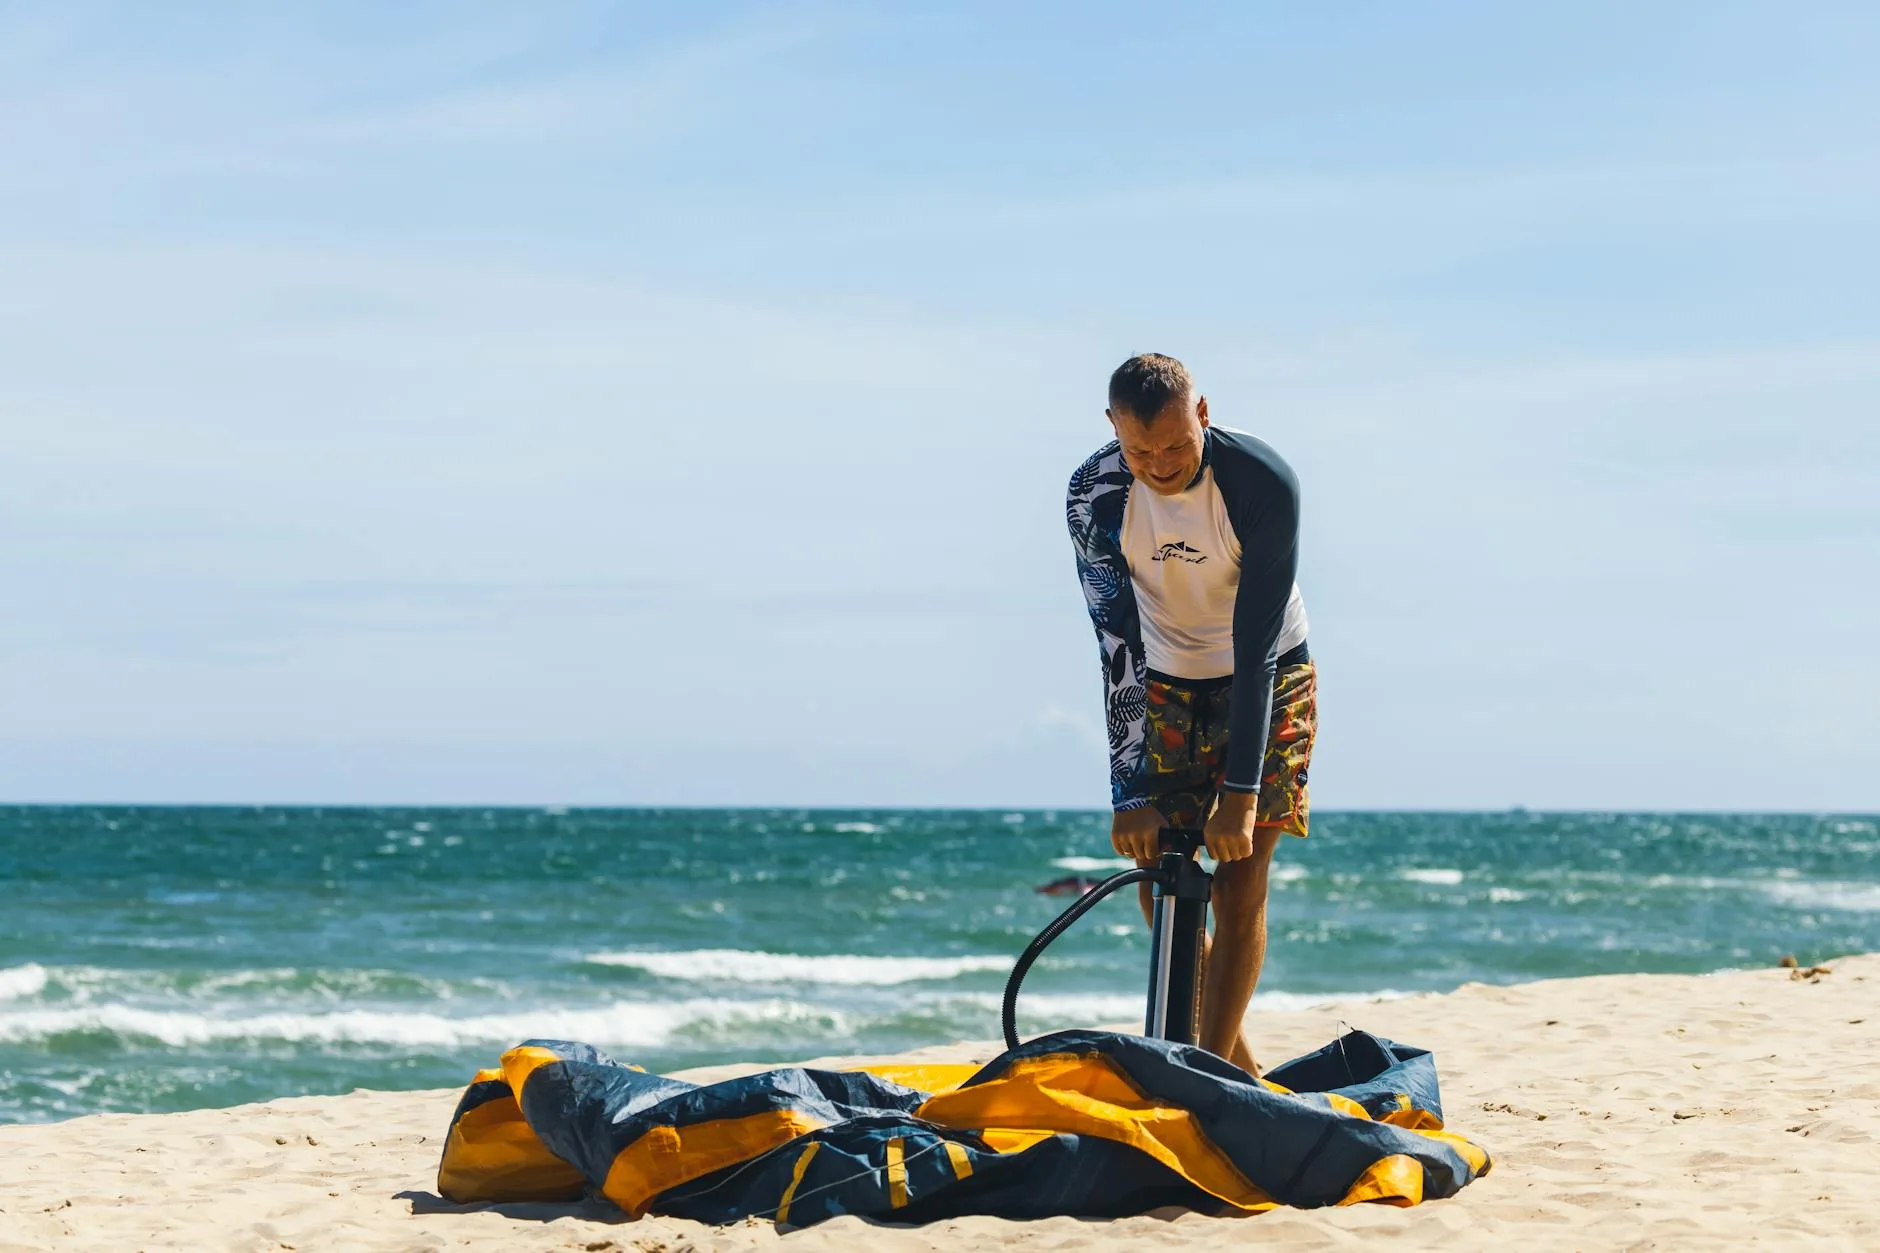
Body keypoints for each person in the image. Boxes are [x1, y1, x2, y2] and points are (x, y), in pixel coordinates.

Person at [1066, 353, 1317, 1072]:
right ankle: (1234, 1067)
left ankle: (1207, 1077)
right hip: (1166, 682)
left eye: (1176, 444)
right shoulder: (1097, 492)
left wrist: (1239, 796)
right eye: (1140, 449)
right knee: (1164, 881)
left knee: (1241, 876)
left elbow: (1257, 641)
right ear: (1113, 429)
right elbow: (1114, 637)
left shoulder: (1261, 483)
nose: (1160, 463)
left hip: (1269, 672)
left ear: (1202, 414)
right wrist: (1130, 792)